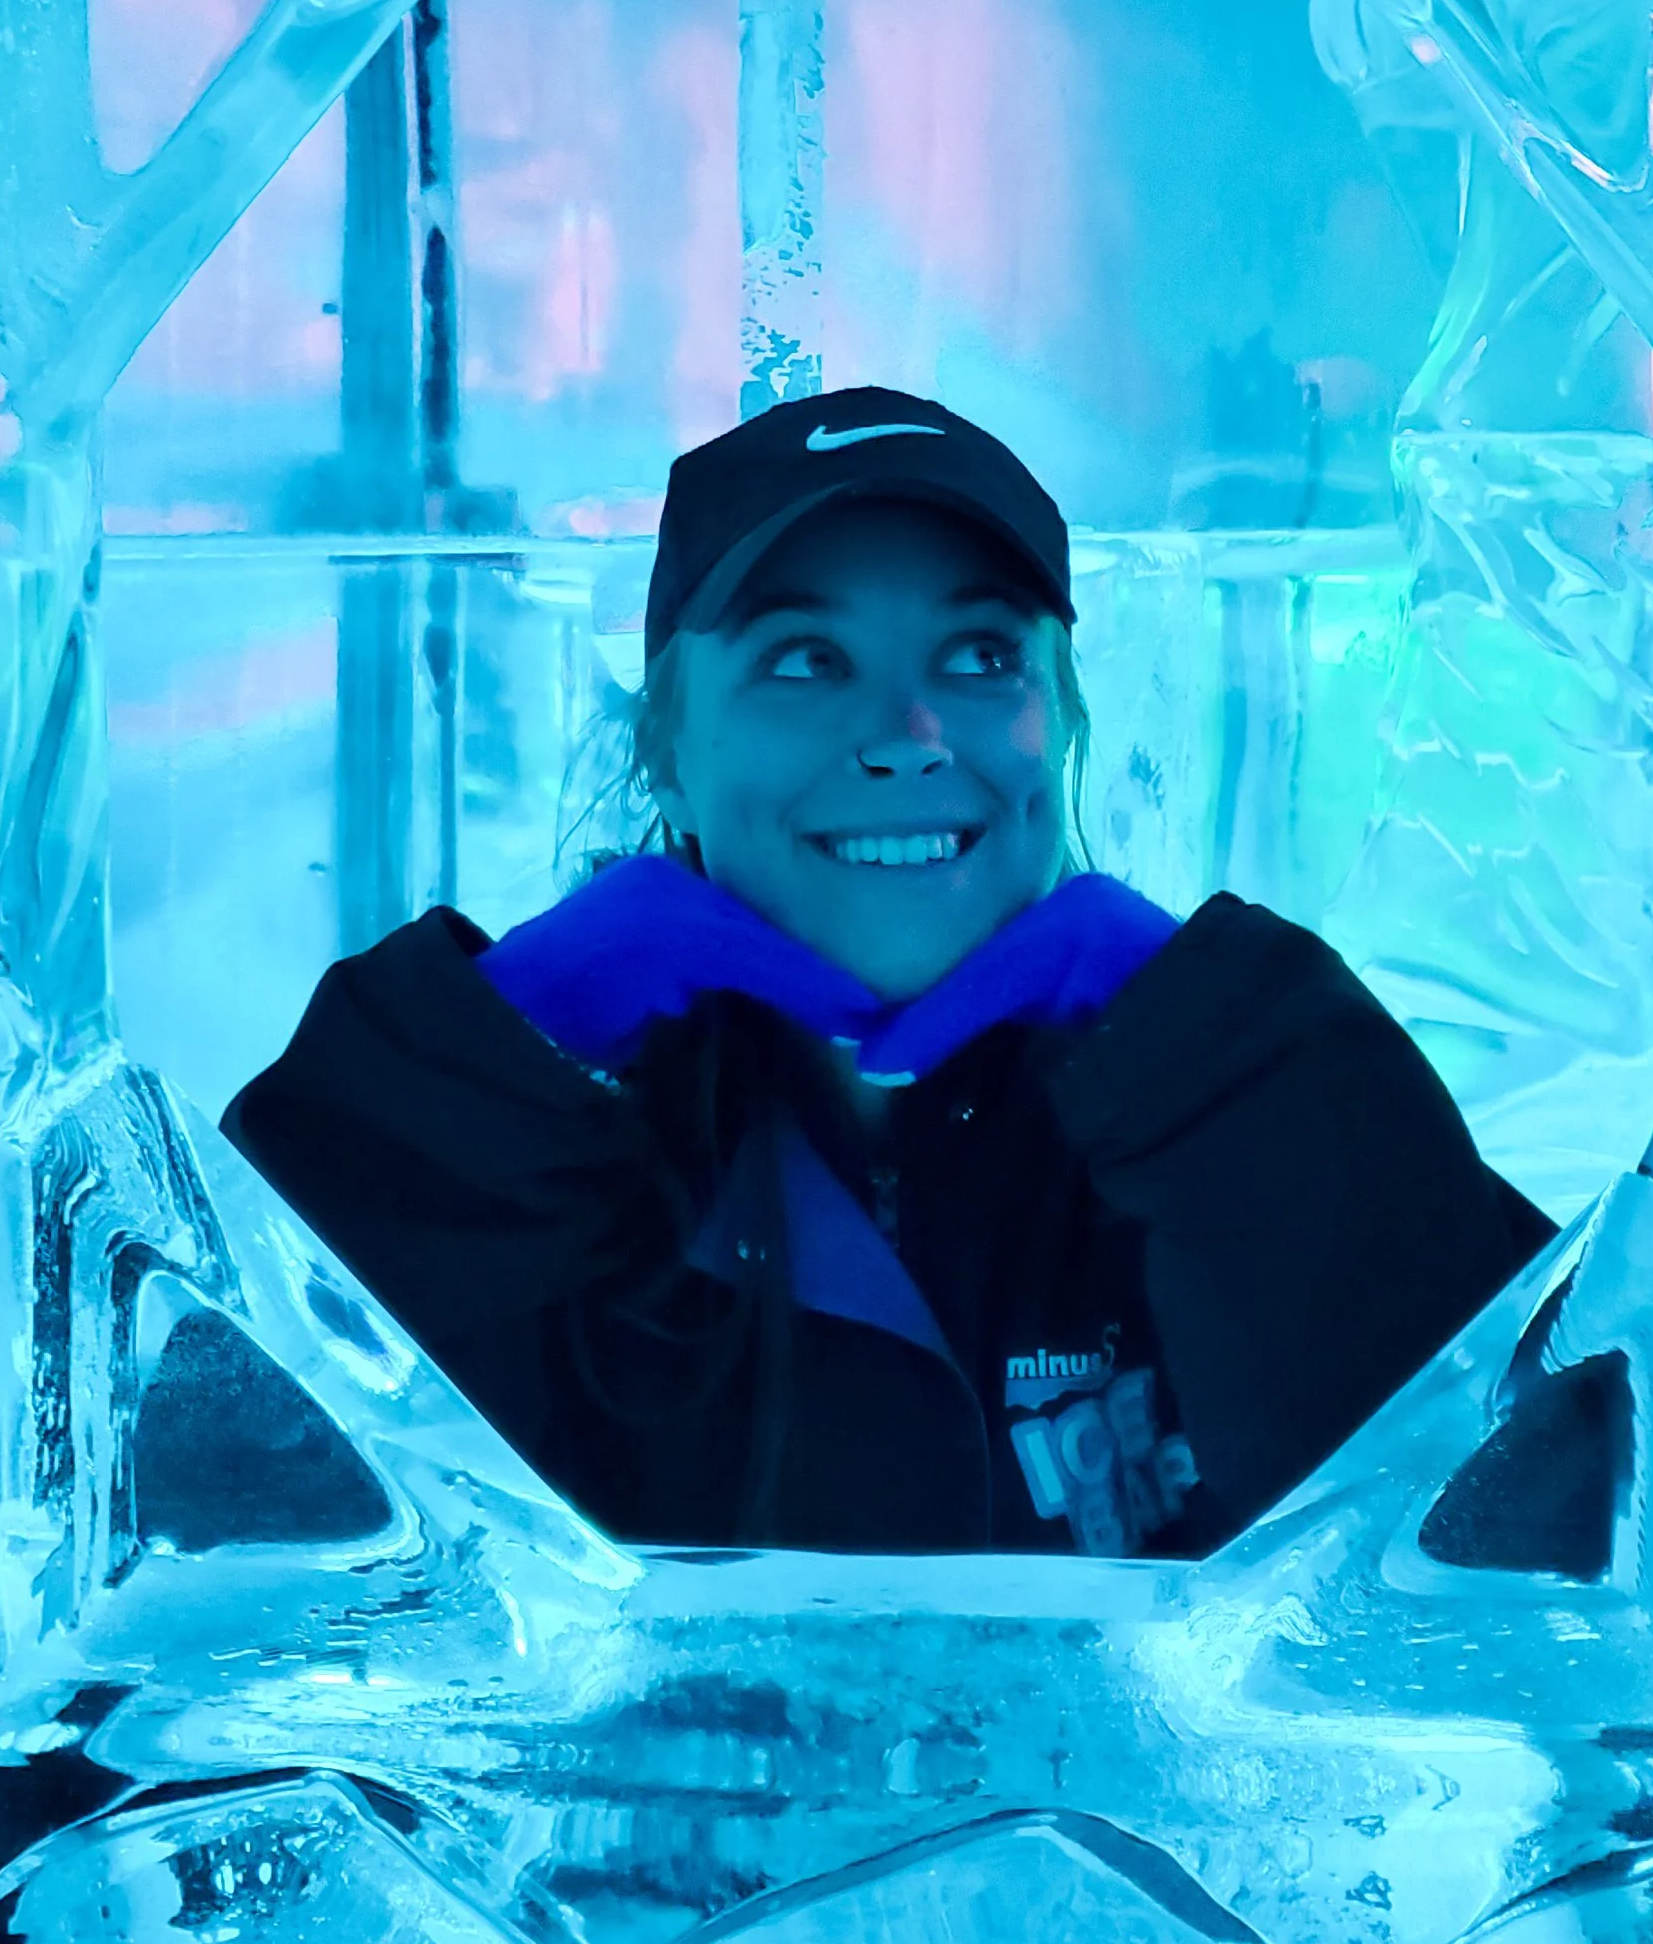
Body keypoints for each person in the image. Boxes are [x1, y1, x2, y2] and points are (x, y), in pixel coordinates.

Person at [225, 386, 1552, 1557]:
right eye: (807, 659)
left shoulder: (1212, 1127)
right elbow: (217, 1502)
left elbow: (1537, 1533)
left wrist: (1231, 1045)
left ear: (1063, 726)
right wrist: (486, 1056)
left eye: (980, 656)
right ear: (671, 752)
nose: (911, 733)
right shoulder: (557, 1178)